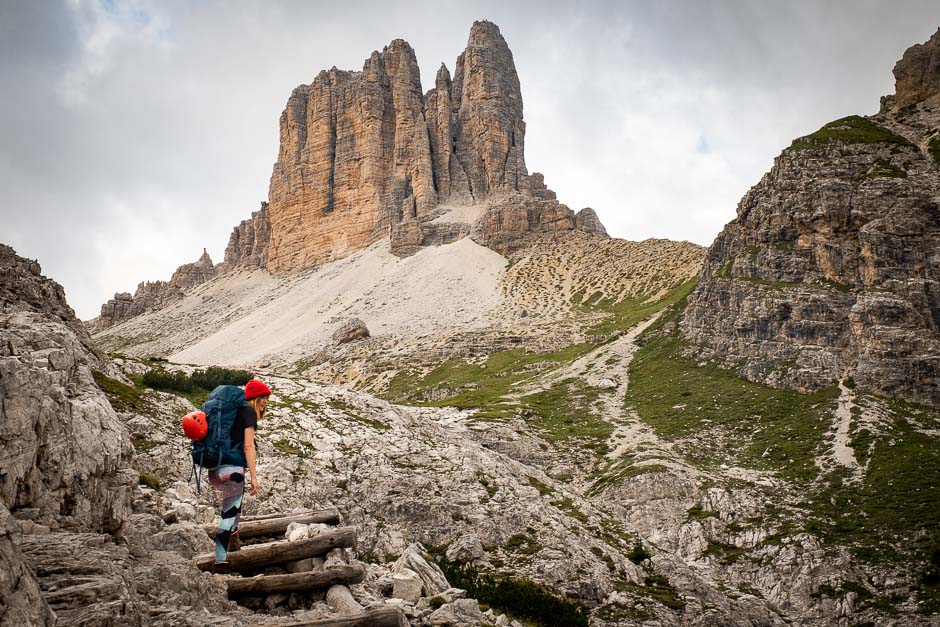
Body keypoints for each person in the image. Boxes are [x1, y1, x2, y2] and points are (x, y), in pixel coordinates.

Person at [209, 378, 269, 570]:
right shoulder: (248, 413)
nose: (265, 402)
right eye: (263, 397)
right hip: (233, 470)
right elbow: (248, 446)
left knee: (234, 510)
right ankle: (220, 560)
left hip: (216, 468)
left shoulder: (231, 412)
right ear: (254, 398)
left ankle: (234, 546)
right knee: (229, 514)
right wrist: (254, 477)